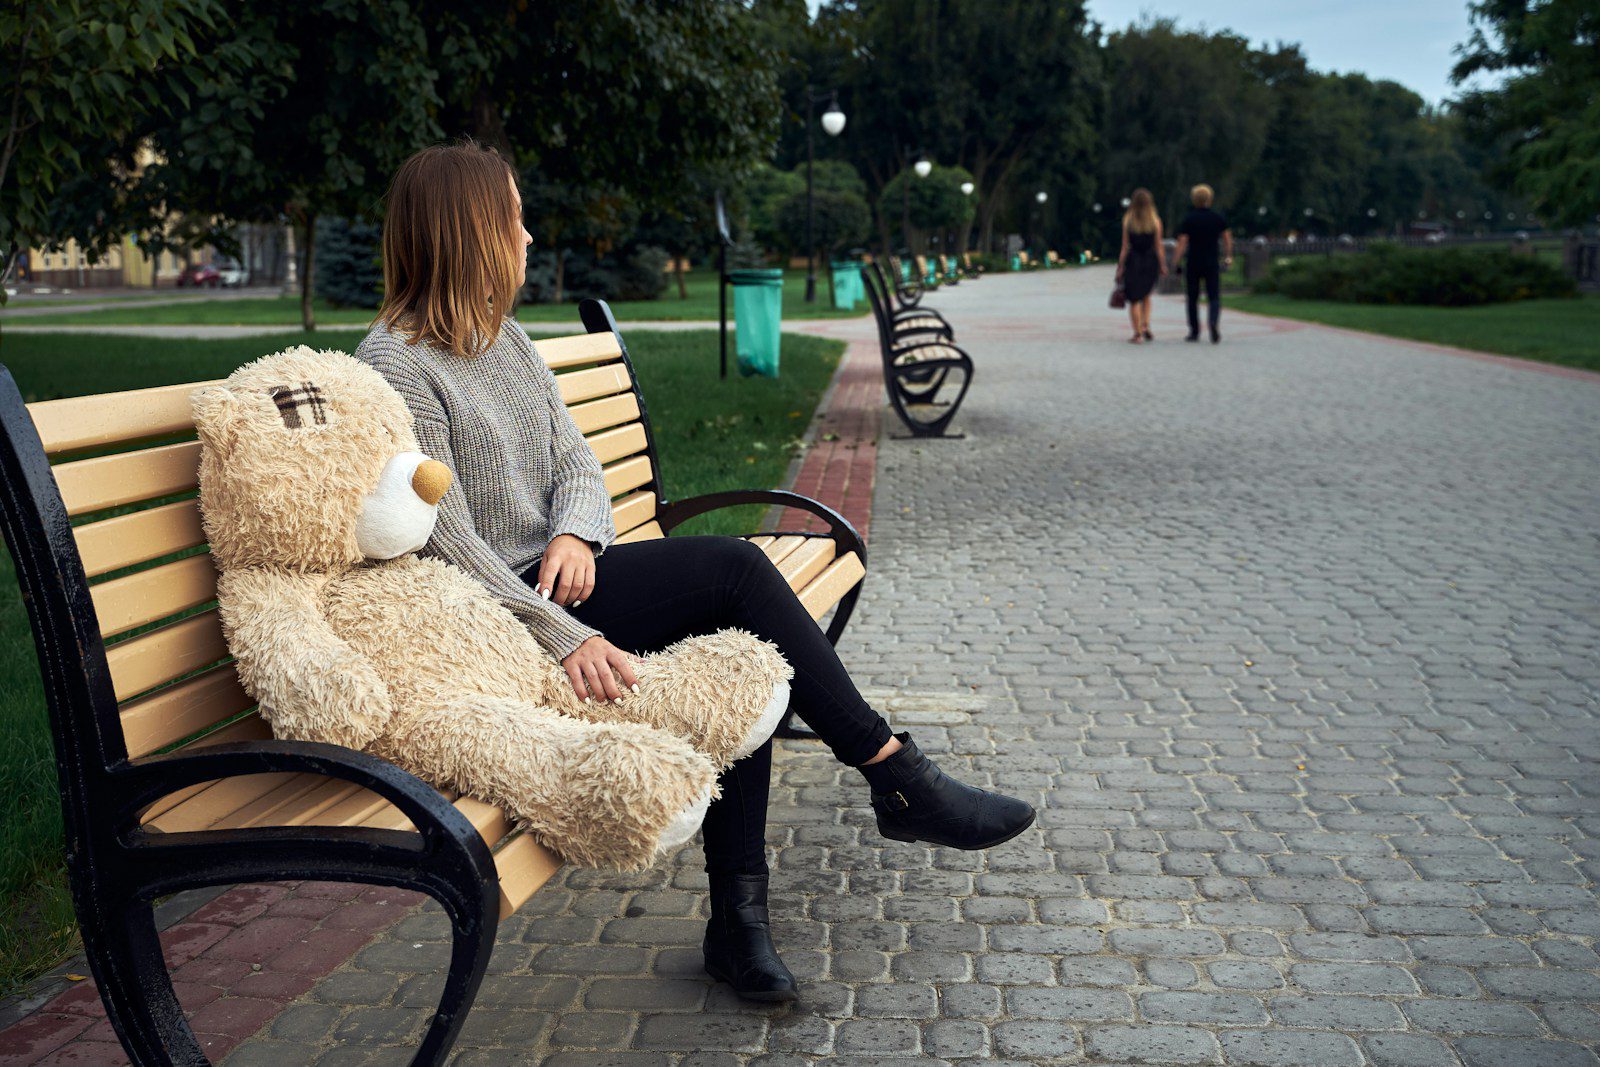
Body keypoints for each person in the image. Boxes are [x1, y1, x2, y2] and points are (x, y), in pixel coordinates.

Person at [354, 141, 1035, 1004]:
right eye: (514, 219)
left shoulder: (505, 339)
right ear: (470, 232)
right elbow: (445, 543)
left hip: (565, 574)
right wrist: (566, 634)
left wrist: (577, 533)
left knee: (737, 627)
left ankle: (742, 923)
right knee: (736, 574)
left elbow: (576, 460)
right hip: (505, 617)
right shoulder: (396, 365)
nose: (528, 236)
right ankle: (895, 777)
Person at [1174, 183, 1233, 343]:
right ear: (1210, 199)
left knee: (1192, 298)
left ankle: (1194, 331)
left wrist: (1176, 261)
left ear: (1194, 199)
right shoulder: (1217, 218)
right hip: (1211, 261)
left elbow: (1182, 242)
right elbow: (1227, 239)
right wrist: (1228, 257)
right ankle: (1213, 322)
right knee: (1214, 295)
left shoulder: (1189, 219)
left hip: (1193, 261)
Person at [1115, 188, 1166, 343]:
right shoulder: (1155, 221)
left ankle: (1137, 333)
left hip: (1133, 260)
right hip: (1150, 261)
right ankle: (1145, 325)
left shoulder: (1128, 221)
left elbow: (1125, 247)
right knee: (1146, 295)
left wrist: (1120, 267)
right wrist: (1162, 265)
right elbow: (1158, 246)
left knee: (1134, 299)